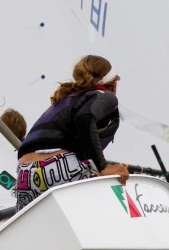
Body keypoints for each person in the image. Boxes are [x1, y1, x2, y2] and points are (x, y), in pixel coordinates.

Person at [14, 55, 129, 209]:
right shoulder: (106, 97)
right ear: (113, 85)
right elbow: (84, 117)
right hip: (58, 168)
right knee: (113, 192)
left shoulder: (64, 100)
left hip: (24, 175)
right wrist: (104, 167)